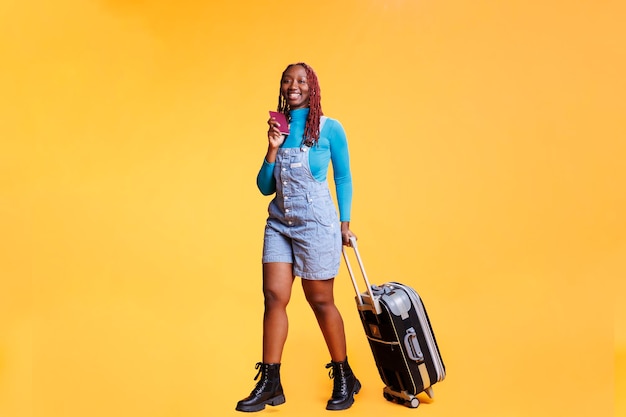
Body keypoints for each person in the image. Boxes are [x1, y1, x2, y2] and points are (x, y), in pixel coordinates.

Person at [235, 62, 360, 412]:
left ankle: (344, 375)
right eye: (288, 80)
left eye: (301, 80)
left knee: (320, 300)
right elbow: (264, 187)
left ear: (313, 87)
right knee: (274, 297)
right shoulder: (280, 125)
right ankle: (271, 383)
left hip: (316, 223)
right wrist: (272, 147)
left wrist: (345, 223)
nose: (294, 85)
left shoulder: (329, 128)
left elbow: (344, 178)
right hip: (279, 222)